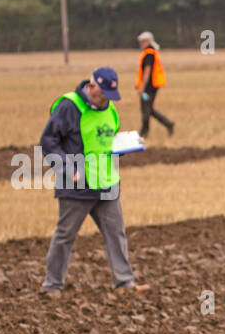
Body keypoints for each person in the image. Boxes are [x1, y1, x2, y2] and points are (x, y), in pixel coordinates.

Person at [39, 67, 149, 297]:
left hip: (107, 183)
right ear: (92, 87)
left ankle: (124, 283)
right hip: (77, 185)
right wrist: (67, 169)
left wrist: (129, 144)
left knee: (116, 234)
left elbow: (108, 142)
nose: (106, 101)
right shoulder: (69, 107)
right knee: (65, 235)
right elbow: (49, 141)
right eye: (103, 95)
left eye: (110, 96)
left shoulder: (111, 109)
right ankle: (52, 287)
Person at [135, 31, 174, 139]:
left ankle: (144, 132)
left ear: (148, 41)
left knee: (146, 110)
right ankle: (168, 124)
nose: (141, 44)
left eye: (142, 41)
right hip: (151, 86)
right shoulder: (151, 52)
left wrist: (142, 87)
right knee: (149, 109)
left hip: (149, 87)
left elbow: (147, 71)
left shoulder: (149, 53)